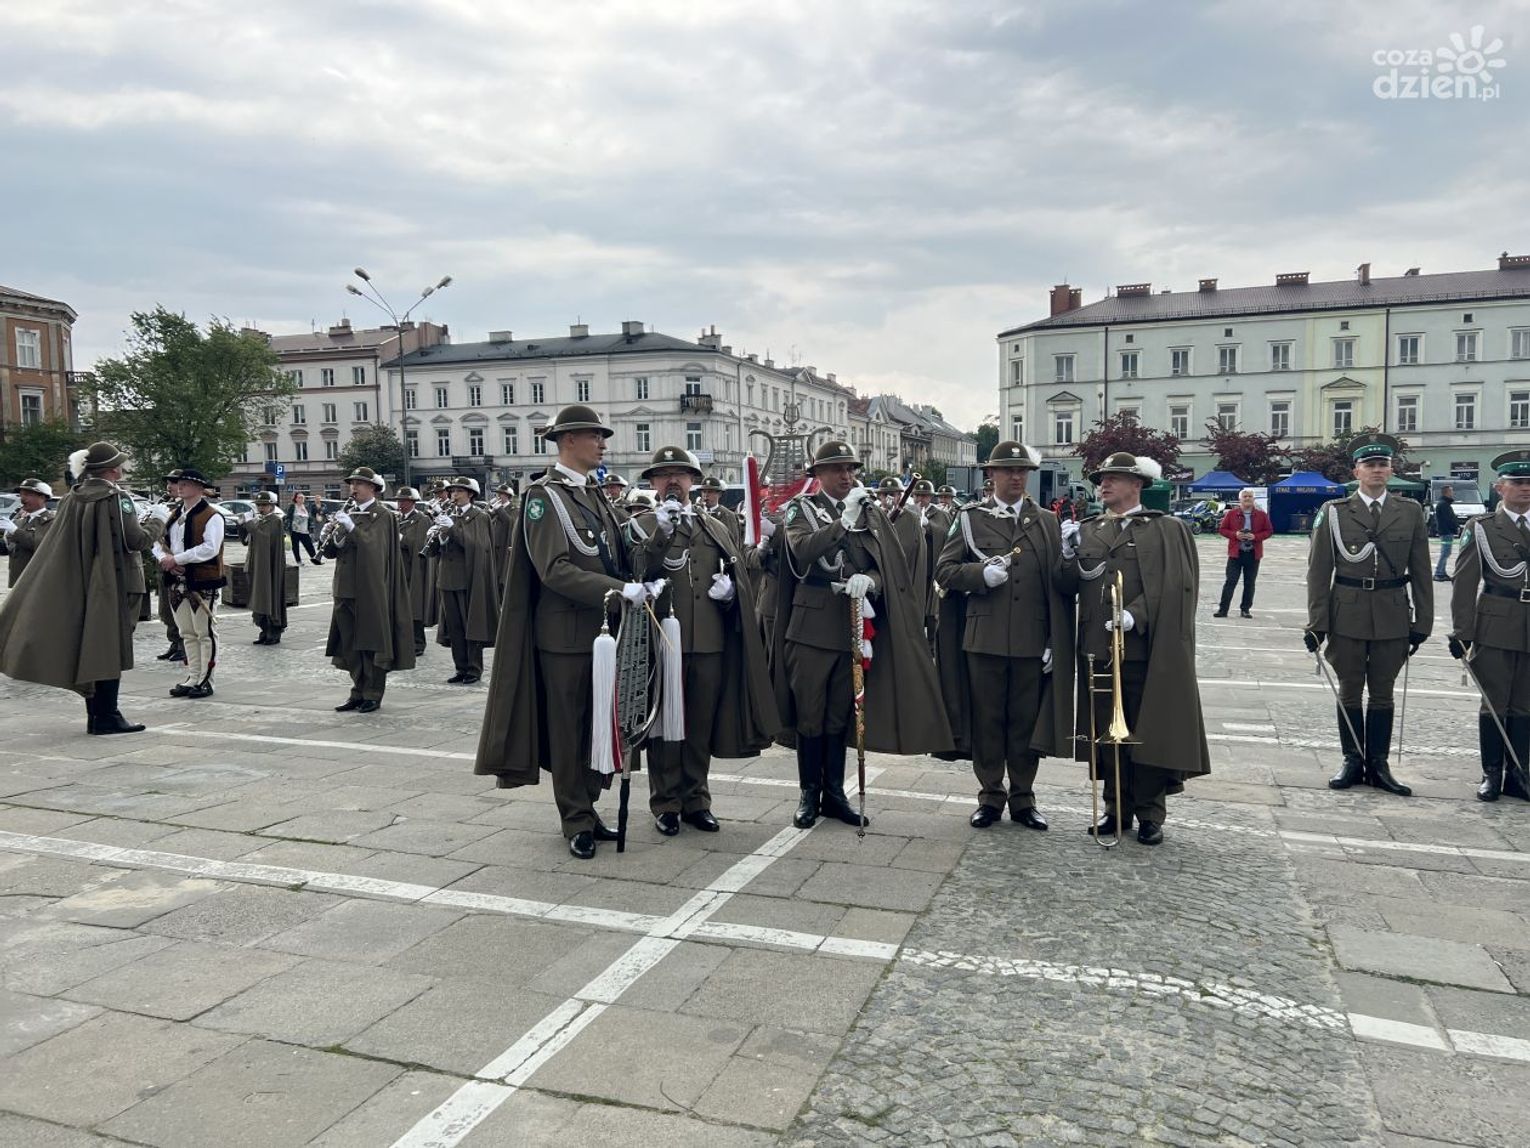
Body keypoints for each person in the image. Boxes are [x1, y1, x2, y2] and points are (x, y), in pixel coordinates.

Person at [475, 405, 640, 860]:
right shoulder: (543, 497)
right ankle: (575, 818)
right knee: (569, 731)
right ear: (568, 440)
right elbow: (555, 570)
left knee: (596, 727)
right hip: (564, 638)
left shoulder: (594, 495)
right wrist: (619, 590)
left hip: (603, 635)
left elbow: (613, 554)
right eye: (595, 436)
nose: (602, 444)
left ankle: (588, 806)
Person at [775, 441, 952, 828]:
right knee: (810, 715)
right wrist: (843, 522)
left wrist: (869, 580)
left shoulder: (868, 511)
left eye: (850, 469)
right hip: (810, 628)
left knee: (840, 715)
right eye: (837, 469)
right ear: (819, 474)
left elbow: (885, 564)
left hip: (852, 627)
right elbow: (802, 551)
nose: (846, 475)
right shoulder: (801, 509)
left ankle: (835, 794)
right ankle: (809, 793)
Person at [626, 446, 778, 835]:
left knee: (700, 723)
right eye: (664, 475)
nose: (673, 481)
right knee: (666, 725)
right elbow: (637, 571)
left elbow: (738, 573)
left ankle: (697, 799)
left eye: (680, 474)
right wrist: (661, 534)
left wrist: (730, 595)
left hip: (709, 640)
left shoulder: (715, 526)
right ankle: (666, 802)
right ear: (653, 483)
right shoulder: (642, 524)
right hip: (664, 640)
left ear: (693, 480)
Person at [935, 442, 1076, 830]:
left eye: (1022, 471)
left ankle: (1024, 798)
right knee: (988, 721)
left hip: (1032, 640)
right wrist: (978, 575)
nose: (1016, 477)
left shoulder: (1046, 521)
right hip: (984, 638)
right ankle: (991, 796)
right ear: (991, 475)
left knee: (1025, 723)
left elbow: (1058, 586)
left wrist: (1054, 639)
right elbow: (943, 571)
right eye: (1008, 470)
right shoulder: (969, 519)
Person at [1072, 452, 1211, 844]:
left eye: (1113, 478)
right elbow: (1070, 585)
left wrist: (1135, 614)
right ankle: (1115, 807)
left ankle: (1150, 812)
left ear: (1137, 485)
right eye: (1102, 479)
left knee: (1148, 729)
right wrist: (1066, 557)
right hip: (1099, 647)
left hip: (1144, 648)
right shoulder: (1089, 529)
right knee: (1107, 732)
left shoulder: (1165, 529)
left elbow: (1176, 586)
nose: (1104, 484)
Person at [0, 441, 169, 734]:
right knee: (110, 647)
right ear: (112, 469)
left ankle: (96, 715)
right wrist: (158, 520)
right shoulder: (117, 498)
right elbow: (136, 540)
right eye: (119, 464)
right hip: (116, 582)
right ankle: (108, 716)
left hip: (82, 578)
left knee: (91, 644)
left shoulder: (71, 498)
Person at [1305, 432, 1432, 797]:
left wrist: (1422, 622)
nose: (1377, 470)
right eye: (1370, 465)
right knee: (1349, 689)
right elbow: (1318, 571)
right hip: (1347, 612)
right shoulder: (1334, 512)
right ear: (1356, 471)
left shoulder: (1409, 512)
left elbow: (1421, 571)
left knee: (1382, 692)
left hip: (1392, 613)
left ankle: (1379, 764)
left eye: (1383, 465)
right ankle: (1351, 760)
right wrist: (1317, 624)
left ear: (1391, 471)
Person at [1448, 451, 1530, 802]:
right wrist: (1462, 632)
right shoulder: (1481, 528)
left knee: (1525, 704)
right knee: (1495, 702)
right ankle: (1492, 773)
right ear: (1500, 488)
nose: (1525, 488)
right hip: (1496, 623)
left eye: (1529, 483)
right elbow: (1465, 583)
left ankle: (1520, 773)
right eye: (1518, 482)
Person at [321, 467, 415, 712]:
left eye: (360, 483)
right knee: (350, 644)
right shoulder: (349, 513)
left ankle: (373, 692)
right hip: (345, 587)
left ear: (372, 488)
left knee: (371, 642)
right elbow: (332, 553)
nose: (354, 488)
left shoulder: (382, 515)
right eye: (352, 483)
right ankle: (358, 690)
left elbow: (375, 549)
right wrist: (330, 537)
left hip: (370, 588)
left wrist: (352, 529)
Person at [155, 468, 227, 699]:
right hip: (176, 580)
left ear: (198, 487)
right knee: (186, 632)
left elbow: (210, 548)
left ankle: (206, 679)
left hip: (202, 580)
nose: (179, 487)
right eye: (179, 483)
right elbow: (158, 541)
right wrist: (165, 559)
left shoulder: (212, 515)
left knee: (204, 632)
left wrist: (178, 559)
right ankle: (193, 676)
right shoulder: (174, 515)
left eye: (184, 483)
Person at [424, 476, 499, 684]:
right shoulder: (449, 515)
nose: (454, 495)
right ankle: (461, 667)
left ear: (470, 494)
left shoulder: (479, 517)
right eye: (453, 491)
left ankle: (474, 669)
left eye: (459, 491)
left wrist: (452, 530)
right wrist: (435, 536)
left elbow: (477, 546)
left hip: (468, 579)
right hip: (447, 579)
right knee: (455, 627)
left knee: (471, 625)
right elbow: (434, 551)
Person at [1214, 488, 1274, 618]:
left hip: (1253, 554)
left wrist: (1255, 537)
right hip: (1236, 554)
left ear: (1253, 499)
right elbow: (1222, 529)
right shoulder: (1231, 514)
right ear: (1240, 499)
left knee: (1249, 583)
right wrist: (1235, 535)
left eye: (1250, 496)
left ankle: (1245, 609)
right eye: (1245, 496)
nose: (1247, 498)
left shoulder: (1261, 515)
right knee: (1230, 581)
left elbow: (1269, 531)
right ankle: (1223, 609)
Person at [238, 491, 287, 645]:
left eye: (264, 505)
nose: (261, 508)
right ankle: (264, 630)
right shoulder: (258, 520)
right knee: (258, 596)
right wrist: (242, 526)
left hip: (269, 565)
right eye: (259, 505)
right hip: (256, 564)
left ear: (271, 506)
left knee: (269, 595)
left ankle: (273, 631)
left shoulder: (275, 521)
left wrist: (250, 525)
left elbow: (264, 538)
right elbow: (247, 541)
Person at [395, 487, 436, 658]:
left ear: (412, 502)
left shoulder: (422, 520)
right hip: (399, 568)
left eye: (403, 500)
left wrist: (402, 539)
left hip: (414, 569)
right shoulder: (397, 519)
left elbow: (420, 544)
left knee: (414, 607)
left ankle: (418, 643)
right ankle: (403, 642)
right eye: (399, 500)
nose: (400, 504)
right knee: (400, 609)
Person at [2, 478, 55, 586]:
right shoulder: (20, 521)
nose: (23, 499)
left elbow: (39, 545)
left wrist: (15, 531)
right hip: (18, 579)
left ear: (42, 497)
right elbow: (11, 548)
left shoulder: (51, 521)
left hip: (37, 581)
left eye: (27, 495)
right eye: (21, 495)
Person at [698, 475, 741, 541]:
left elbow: (733, 540)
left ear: (719, 494)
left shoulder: (729, 516)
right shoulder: (696, 512)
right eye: (704, 492)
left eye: (710, 492)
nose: (706, 495)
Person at [287, 492, 322, 566]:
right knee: (295, 547)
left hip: (304, 530)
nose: (301, 499)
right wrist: (288, 528)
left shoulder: (305, 507)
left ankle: (315, 560)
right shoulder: (293, 506)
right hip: (295, 530)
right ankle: (299, 561)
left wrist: (310, 527)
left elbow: (308, 518)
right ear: (296, 499)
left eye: (302, 497)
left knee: (309, 545)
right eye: (299, 497)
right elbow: (288, 517)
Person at [1434, 484, 1459, 582]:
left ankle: (1442, 572)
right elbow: (1448, 519)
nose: (1452, 493)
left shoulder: (1444, 504)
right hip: (1446, 531)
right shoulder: (1444, 504)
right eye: (1451, 491)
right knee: (1445, 553)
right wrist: (1455, 527)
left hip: (1445, 531)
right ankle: (1439, 573)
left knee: (1446, 552)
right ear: (1447, 492)